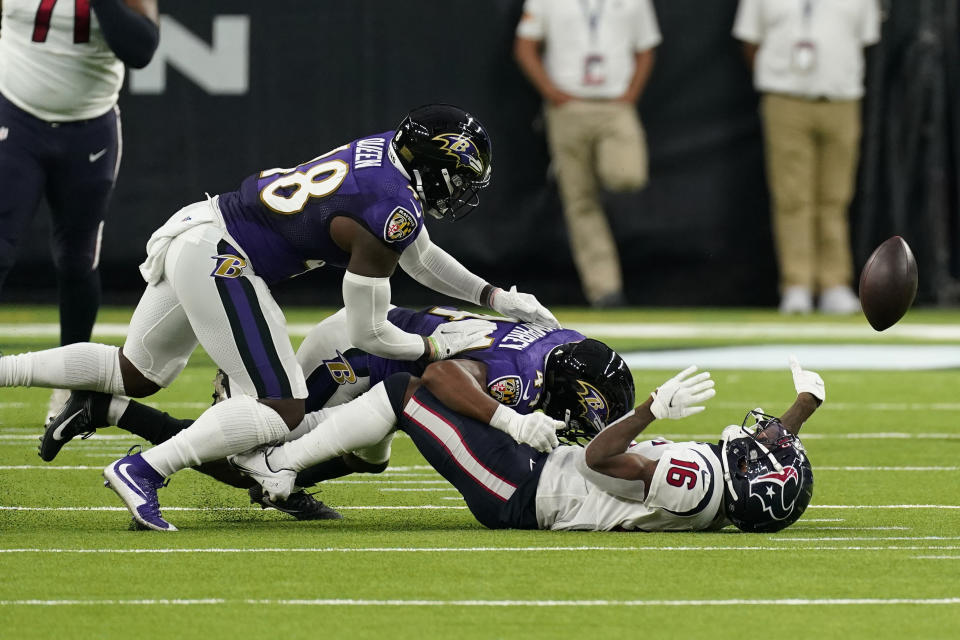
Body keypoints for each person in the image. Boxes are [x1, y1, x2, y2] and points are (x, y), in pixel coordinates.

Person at [0, 104, 559, 531]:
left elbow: (420, 254)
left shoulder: (388, 157)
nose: (460, 191)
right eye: (458, 177)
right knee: (282, 408)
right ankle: (145, 470)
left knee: (137, 372)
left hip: (202, 226)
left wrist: (492, 297)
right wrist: (435, 349)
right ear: (433, 167)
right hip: (224, 256)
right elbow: (368, 330)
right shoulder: (390, 210)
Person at [40, 304, 635, 524]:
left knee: (367, 458)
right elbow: (439, 377)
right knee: (246, 465)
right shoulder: (524, 372)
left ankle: (108, 408)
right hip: (355, 356)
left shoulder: (561, 345)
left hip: (378, 344)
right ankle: (113, 409)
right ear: (569, 385)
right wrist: (509, 422)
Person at [234, 358, 820, 533]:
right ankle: (289, 466)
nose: (765, 432)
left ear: (752, 475)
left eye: (770, 441)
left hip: (521, 488)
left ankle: (280, 469)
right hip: (535, 474)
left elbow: (598, 459)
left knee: (408, 392)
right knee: (421, 395)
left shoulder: (700, 477)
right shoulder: (725, 490)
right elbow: (769, 464)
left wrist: (649, 410)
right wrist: (804, 408)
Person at [0, 0, 160, 421]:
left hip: (89, 126)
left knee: (76, 260)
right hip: (14, 116)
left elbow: (142, 48)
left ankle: (72, 389)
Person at [733, 0, 882, 315]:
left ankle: (833, 284)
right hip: (786, 99)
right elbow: (750, 42)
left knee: (835, 197)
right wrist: (779, 79)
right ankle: (797, 284)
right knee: (792, 197)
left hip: (841, 99)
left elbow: (863, 42)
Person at [514, 0, 660, 308]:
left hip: (614, 104)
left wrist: (630, 94)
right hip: (568, 106)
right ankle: (605, 291)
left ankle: (598, 169)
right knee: (580, 201)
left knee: (627, 175)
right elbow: (525, 45)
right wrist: (552, 93)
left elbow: (645, 48)